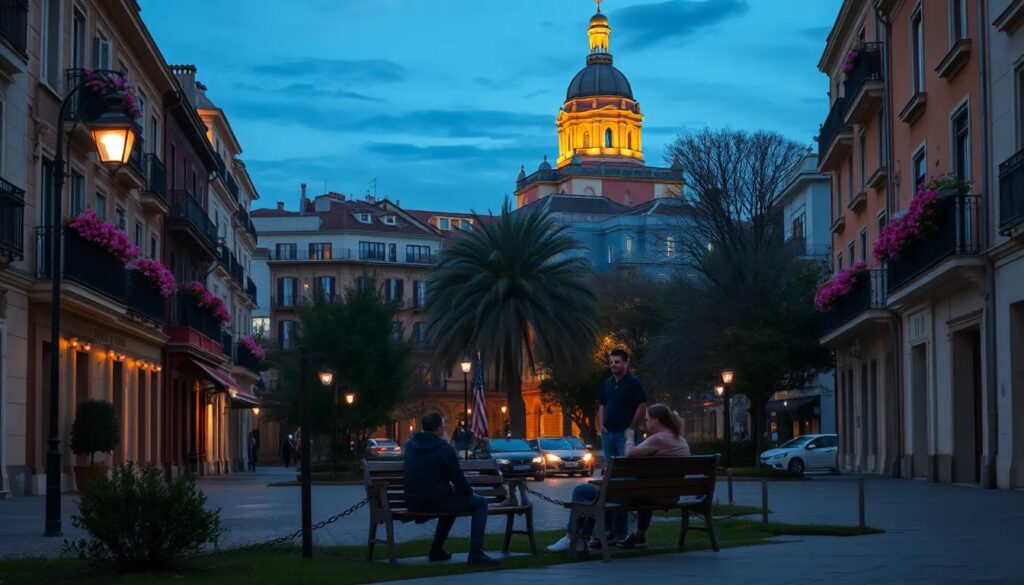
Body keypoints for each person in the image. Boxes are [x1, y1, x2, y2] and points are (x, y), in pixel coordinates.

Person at [547, 404, 689, 552]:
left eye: (647, 419)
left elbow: (630, 453)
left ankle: (574, 538)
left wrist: (629, 438)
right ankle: (627, 536)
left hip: (646, 495)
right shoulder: (679, 440)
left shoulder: (658, 439)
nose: (645, 423)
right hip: (667, 495)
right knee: (604, 492)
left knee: (582, 491)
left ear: (656, 420)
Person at [403, 412, 499, 566]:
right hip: (438, 501)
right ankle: (476, 552)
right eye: (444, 426)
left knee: (452, 501)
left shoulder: (410, 446)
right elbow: (458, 479)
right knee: (480, 503)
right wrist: (469, 492)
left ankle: (437, 550)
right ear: (440, 429)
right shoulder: (444, 448)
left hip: (413, 501)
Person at [596, 348, 647, 542]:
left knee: (623, 480)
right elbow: (602, 404)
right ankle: (611, 531)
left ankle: (621, 530)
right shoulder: (607, 384)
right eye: (611, 362)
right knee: (611, 478)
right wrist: (601, 424)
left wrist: (631, 428)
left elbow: (642, 406)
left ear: (626, 363)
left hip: (625, 435)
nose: (613, 365)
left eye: (617, 362)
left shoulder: (634, 384)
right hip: (608, 434)